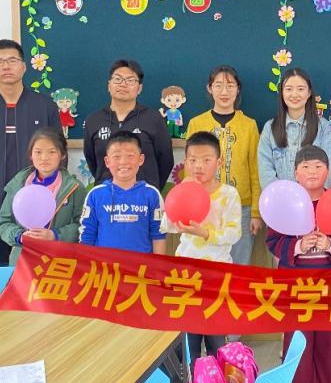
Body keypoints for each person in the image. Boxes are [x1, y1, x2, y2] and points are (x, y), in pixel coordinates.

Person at [265, 146, 331, 383]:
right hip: (296, 283)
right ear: (295, 172)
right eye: (305, 167)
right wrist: (299, 245)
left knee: (329, 339)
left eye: (318, 166)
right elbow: (273, 241)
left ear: (328, 171)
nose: (312, 172)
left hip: (329, 281)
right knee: (298, 338)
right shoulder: (285, 202)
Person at [0, 39, 60, 268]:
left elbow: (58, 153)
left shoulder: (44, 105)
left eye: (12, 60)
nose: (6, 66)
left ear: (24, 66)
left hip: (35, 205)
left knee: (33, 271)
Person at [161, 131, 242, 359]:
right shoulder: (183, 191)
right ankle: (191, 382)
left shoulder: (229, 194)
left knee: (217, 342)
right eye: (193, 160)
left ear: (219, 162)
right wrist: (181, 192)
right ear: (186, 162)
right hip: (186, 277)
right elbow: (167, 225)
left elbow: (234, 233)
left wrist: (205, 233)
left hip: (217, 277)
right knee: (189, 344)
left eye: (206, 160)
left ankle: (217, 382)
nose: (199, 166)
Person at [185, 66, 261, 267]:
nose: (224, 91)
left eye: (230, 85)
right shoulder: (196, 123)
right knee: (205, 264)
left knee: (239, 266)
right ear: (209, 88)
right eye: (218, 85)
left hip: (241, 207)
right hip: (203, 205)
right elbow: (189, 168)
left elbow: (255, 169)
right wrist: (188, 204)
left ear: (238, 89)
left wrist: (255, 213)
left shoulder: (249, 125)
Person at [0, 127, 85, 265]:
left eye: (51, 152)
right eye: (38, 152)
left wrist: (55, 235)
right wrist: (20, 236)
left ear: (62, 155)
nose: (44, 158)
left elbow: (83, 226)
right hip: (23, 262)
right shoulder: (18, 184)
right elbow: (3, 222)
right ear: (30, 155)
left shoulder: (75, 188)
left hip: (59, 263)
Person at [82, 58, 174, 189]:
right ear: (109, 85)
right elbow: (93, 162)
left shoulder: (154, 119)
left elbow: (166, 161)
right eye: (117, 79)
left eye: (130, 80)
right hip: (106, 196)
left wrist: (151, 189)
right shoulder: (93, 121)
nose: (123, 84)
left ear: (139, 88)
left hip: (144, 196)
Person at [80, 130, 166, 255]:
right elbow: (87, 236)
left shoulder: (152, 195)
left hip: (141, 266)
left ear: (141, 159)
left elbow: (158, 236)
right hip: (104, 266)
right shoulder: (95, 195)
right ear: (107, 161)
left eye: (130, 156)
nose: (123, 162)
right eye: (116, 156)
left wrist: (158, 266)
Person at [257, 67, 331, 188]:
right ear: (282, 92)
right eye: (288, 89)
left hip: (313, 197)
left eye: (300, 89)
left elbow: (327, 171)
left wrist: (311, 196)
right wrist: (285, 195)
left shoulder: (323, 127)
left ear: (309, 93)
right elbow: (265, 172)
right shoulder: (269, 128)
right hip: (280, 197)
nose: (294, 94)